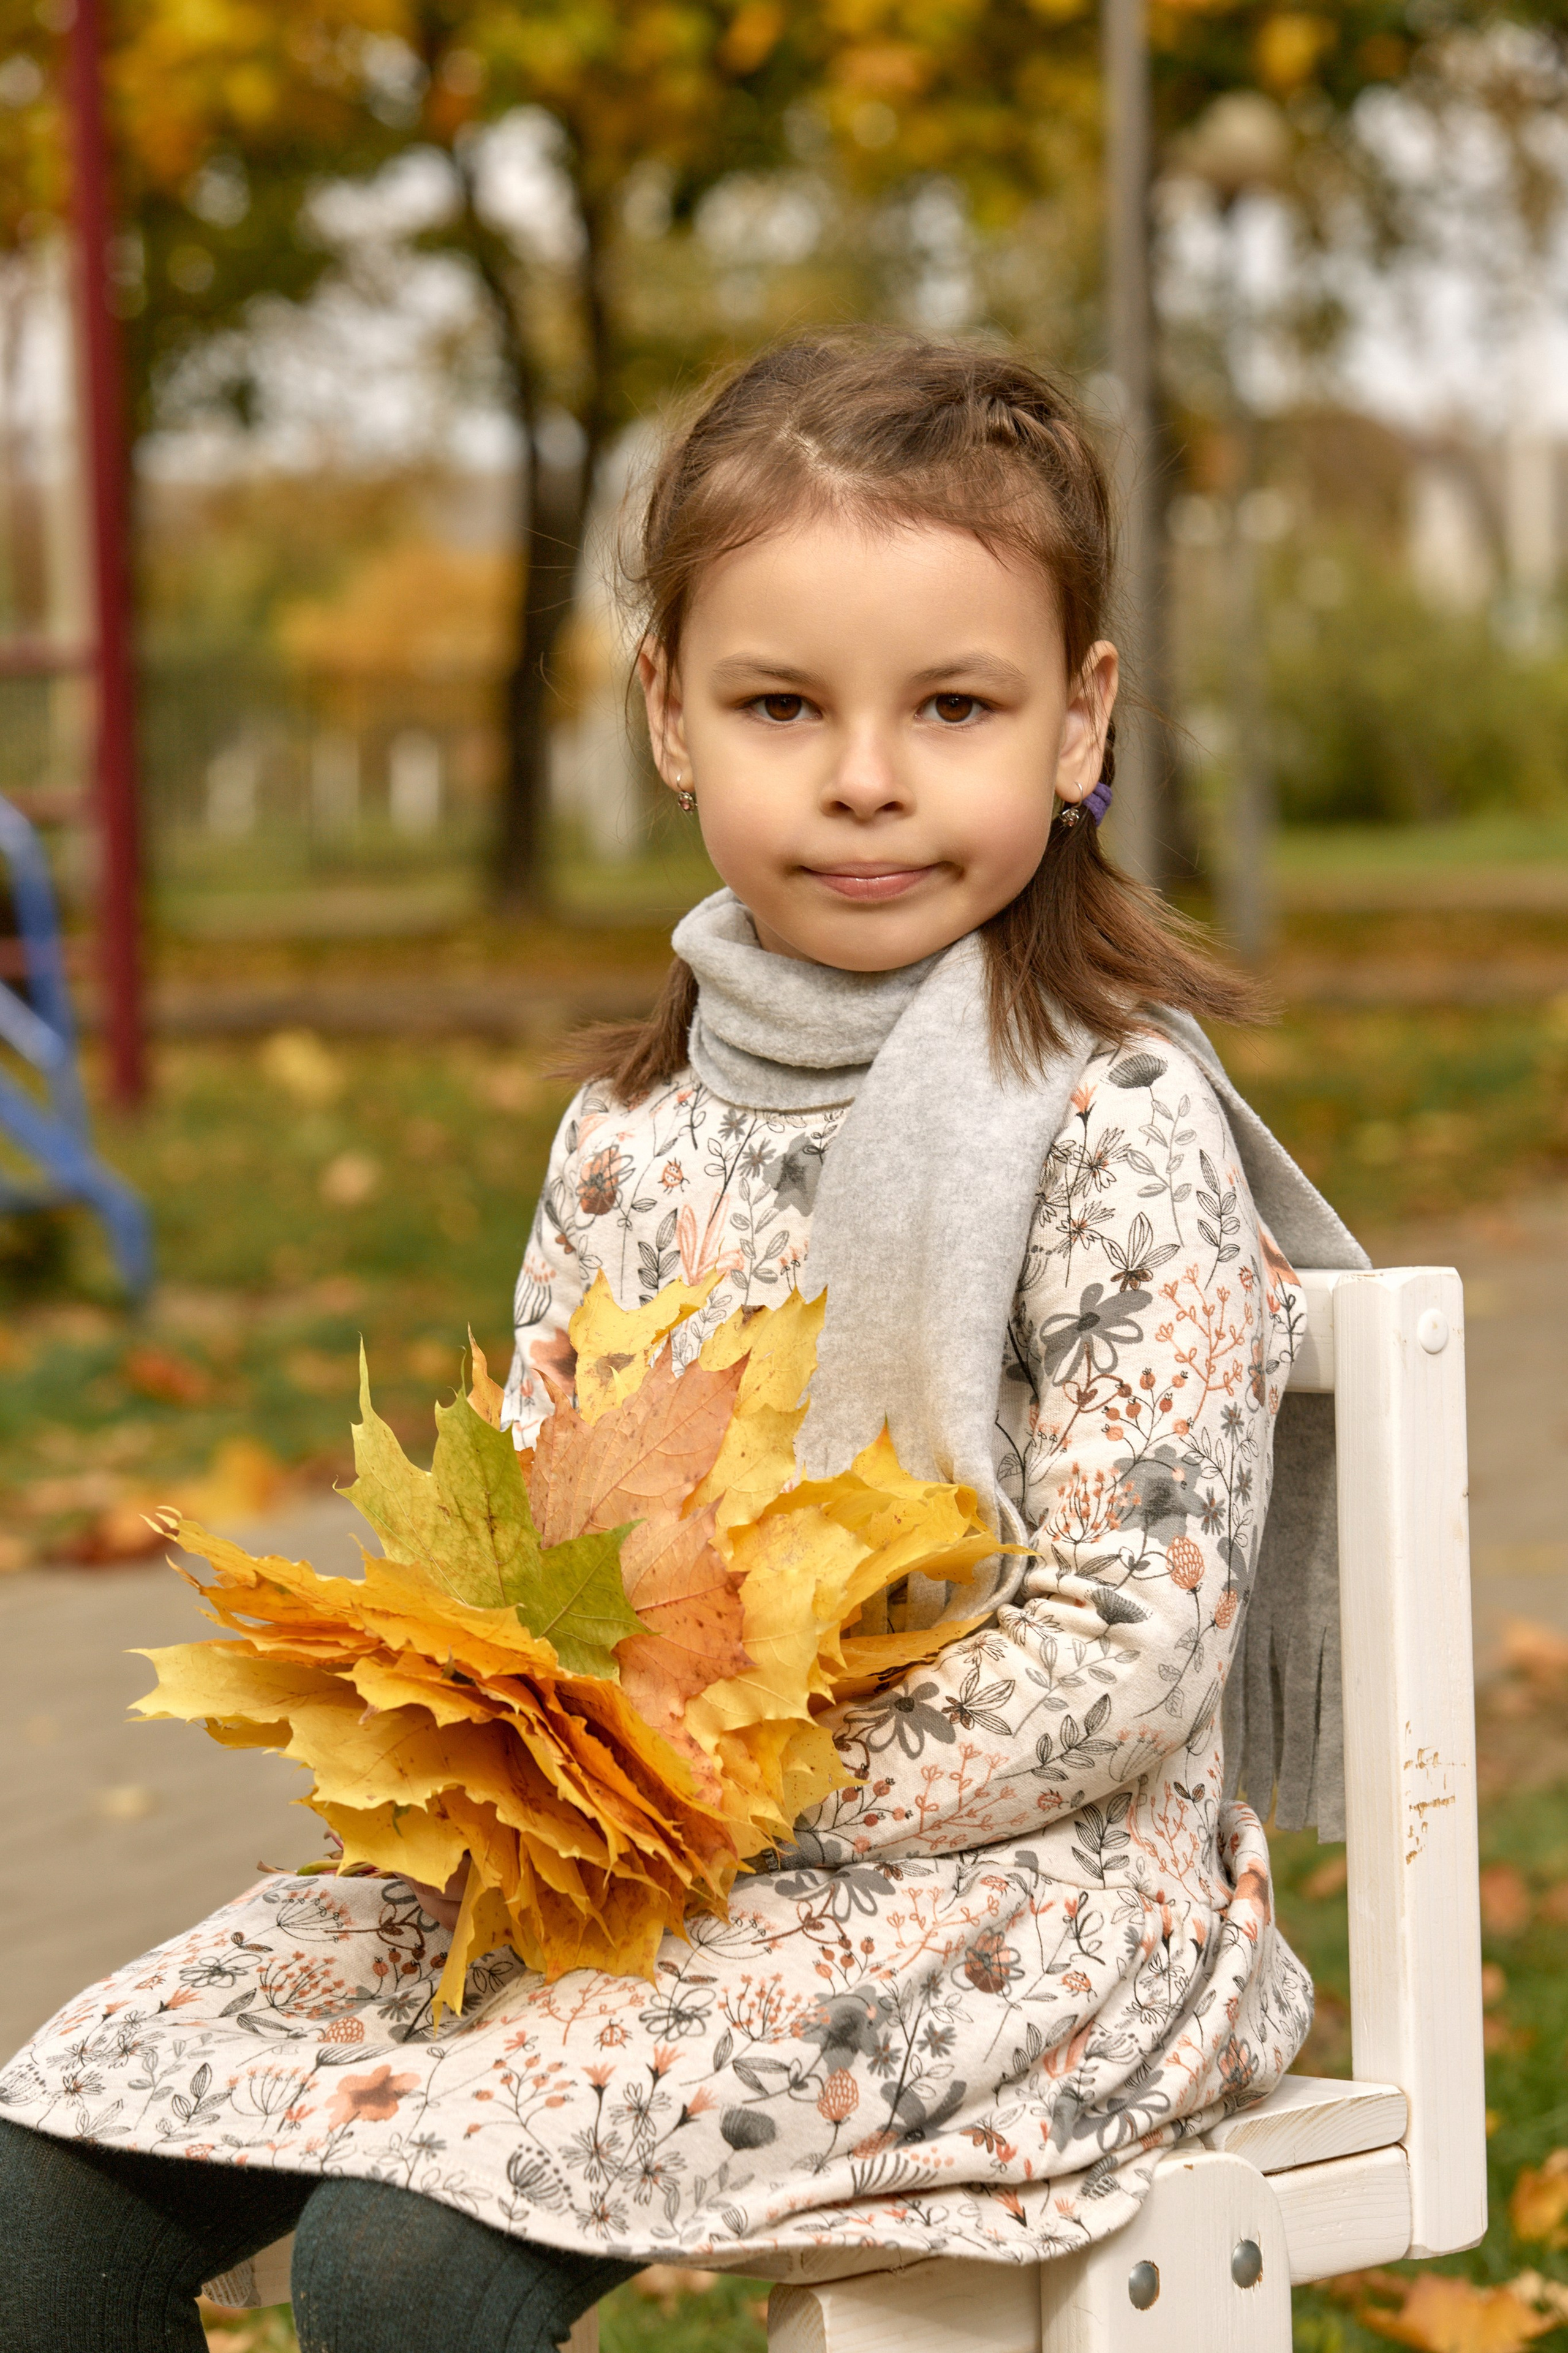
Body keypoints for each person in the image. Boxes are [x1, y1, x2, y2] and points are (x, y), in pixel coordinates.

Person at [0, 333, 1364, 2353]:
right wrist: (511, 1734)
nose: (868, 774)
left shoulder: (1110, 1121)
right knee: (49, 2195)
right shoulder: (631, 1136)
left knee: (408, 2256)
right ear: (668, 713)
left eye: (955, 706)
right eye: (783, 703)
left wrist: (714, 1796)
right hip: (635, 1865)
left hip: (1022, 1905)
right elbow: (553, 1540)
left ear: (1080, 725)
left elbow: (1124, 1657)